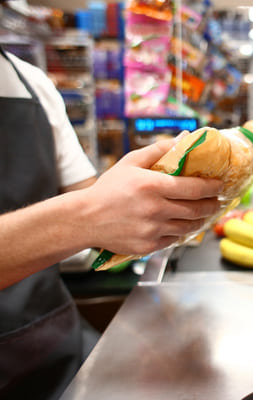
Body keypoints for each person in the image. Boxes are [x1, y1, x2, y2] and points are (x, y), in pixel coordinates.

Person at [0, 47, 222, 400]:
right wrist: (89, 216)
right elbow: (91, 211)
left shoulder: (33, 85)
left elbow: (96, 204)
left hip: (59, 344)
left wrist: (156, 201)